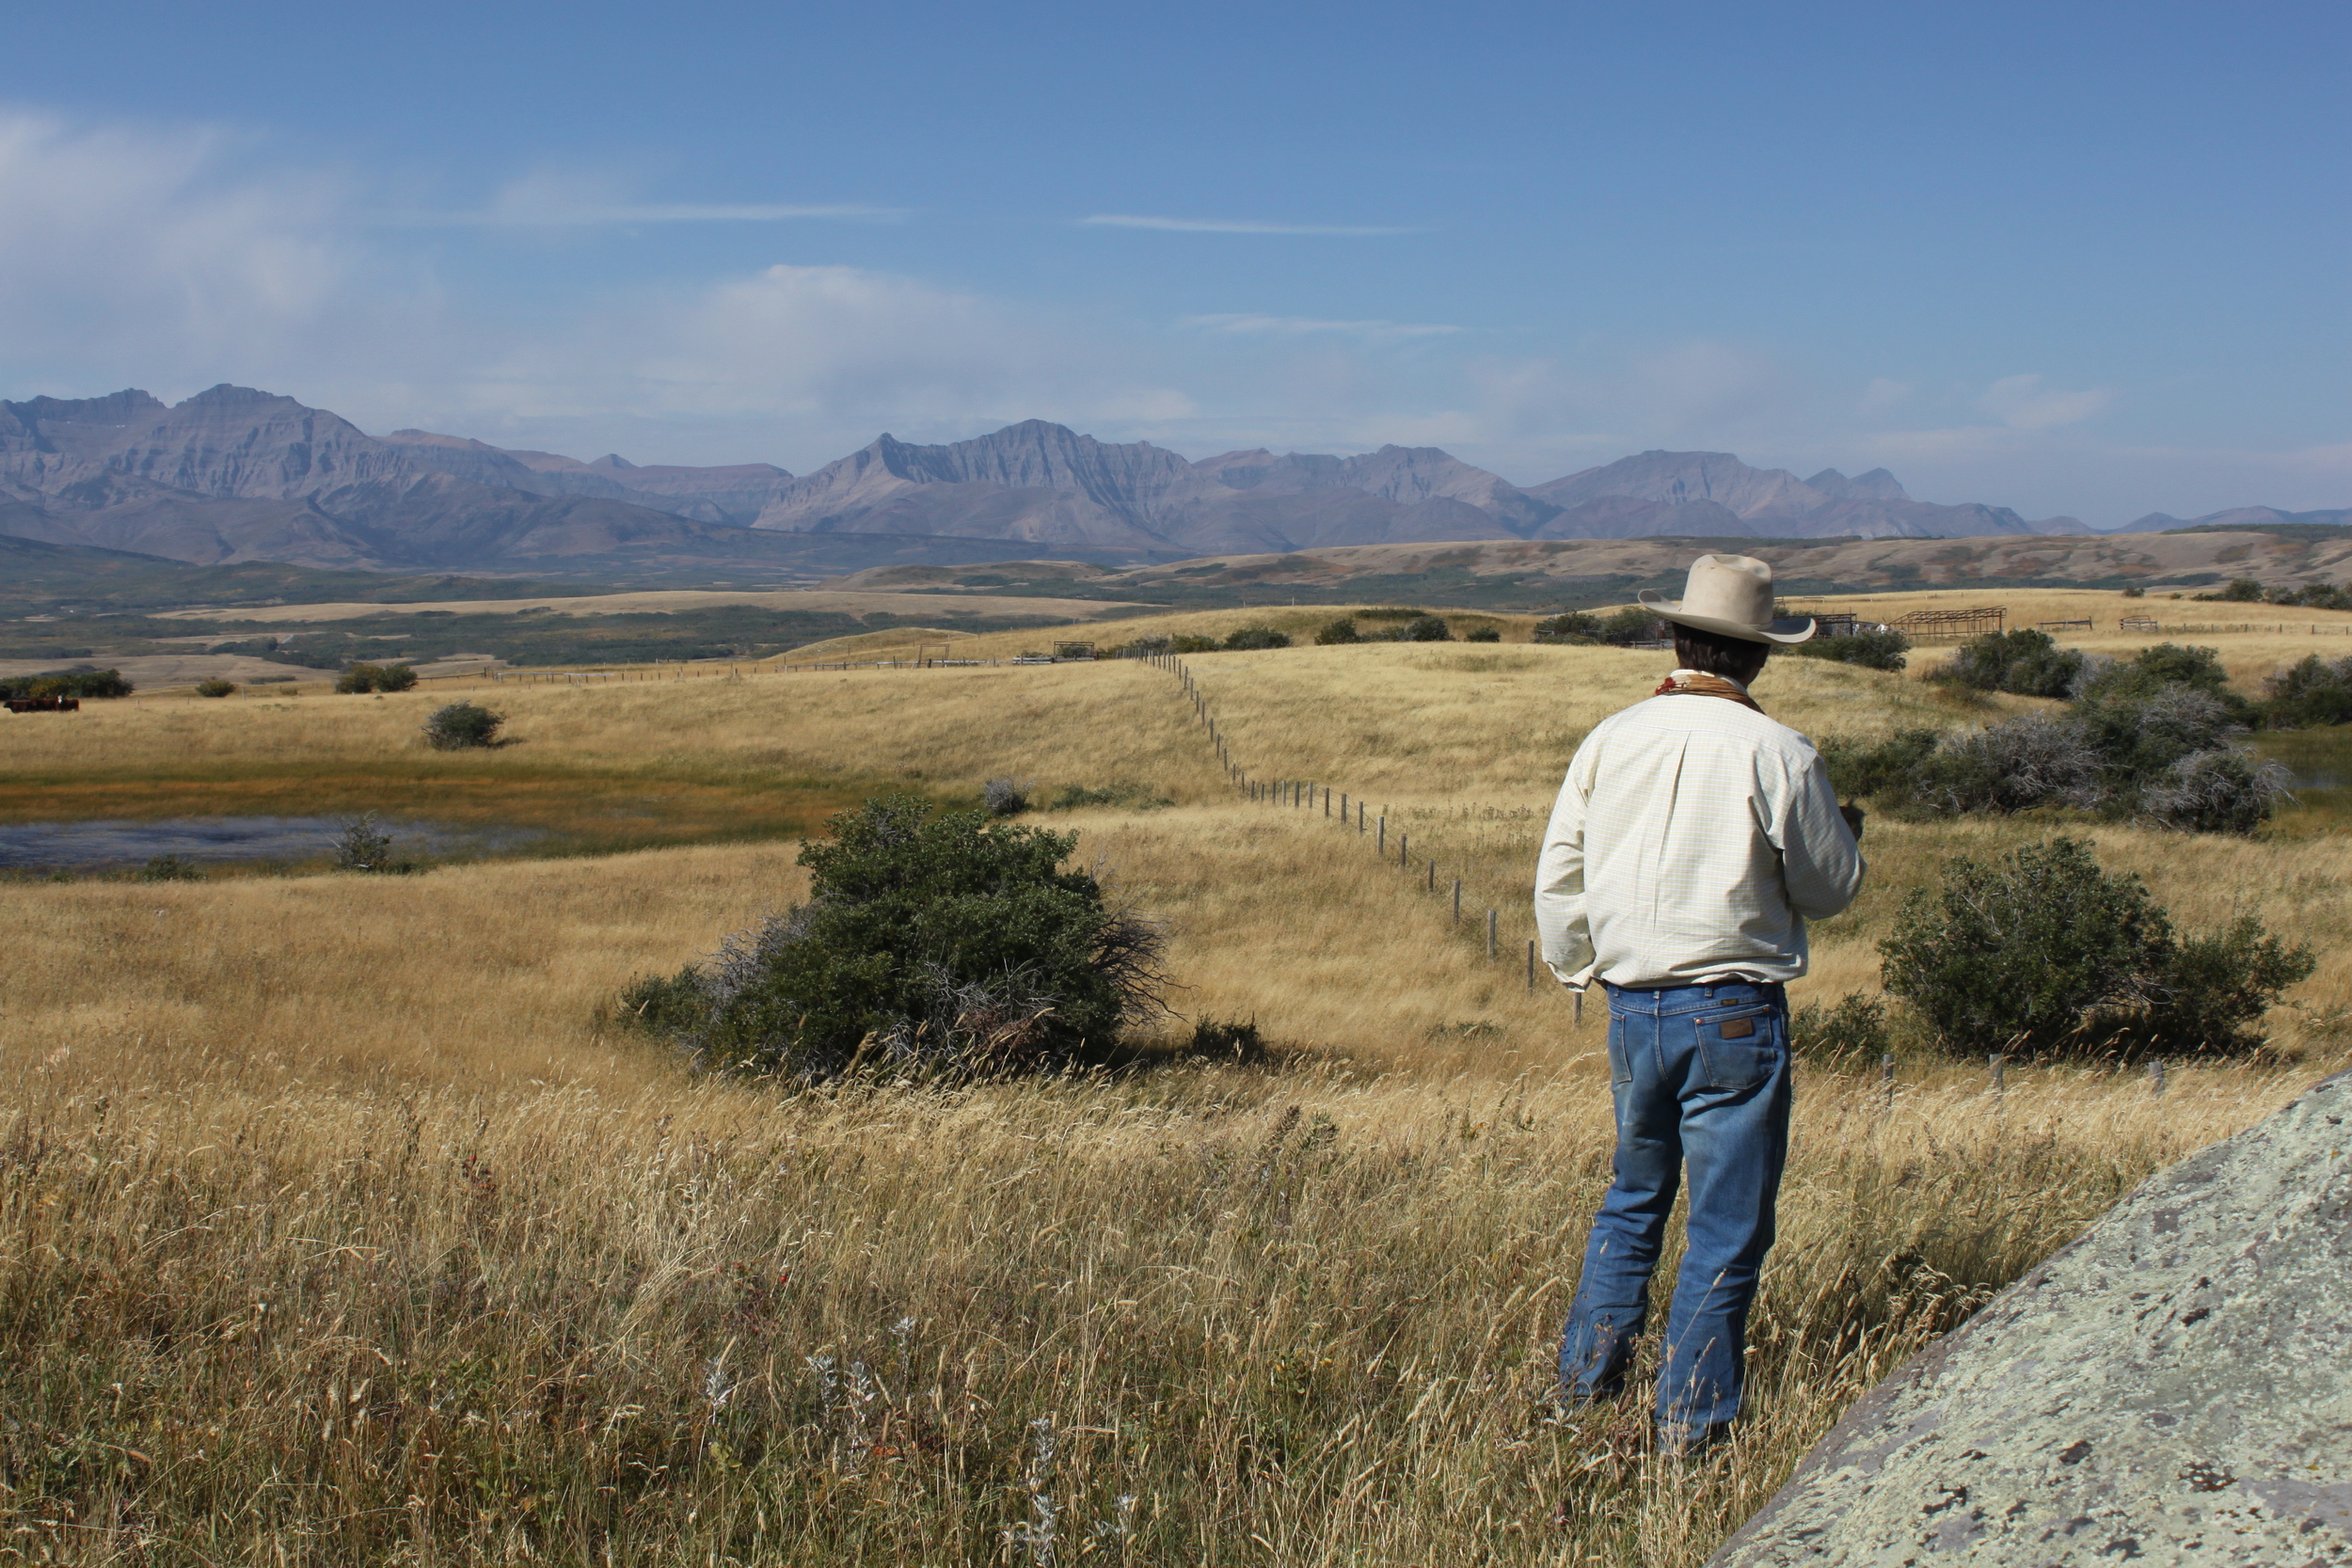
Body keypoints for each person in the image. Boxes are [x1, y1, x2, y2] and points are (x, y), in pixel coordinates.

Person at [1534, 553, 1866, 1458]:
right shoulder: (1778, 750)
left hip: (1632, 1006)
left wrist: (1579, 967)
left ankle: (1580, 1393)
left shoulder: (1611, 737)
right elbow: (1830, 889)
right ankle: (1691, 1429)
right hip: (1732, 1009)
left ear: (1676, 637)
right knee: (1724, 1225)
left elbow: (1560, 875)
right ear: (1757, 658)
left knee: (1633, 1198)